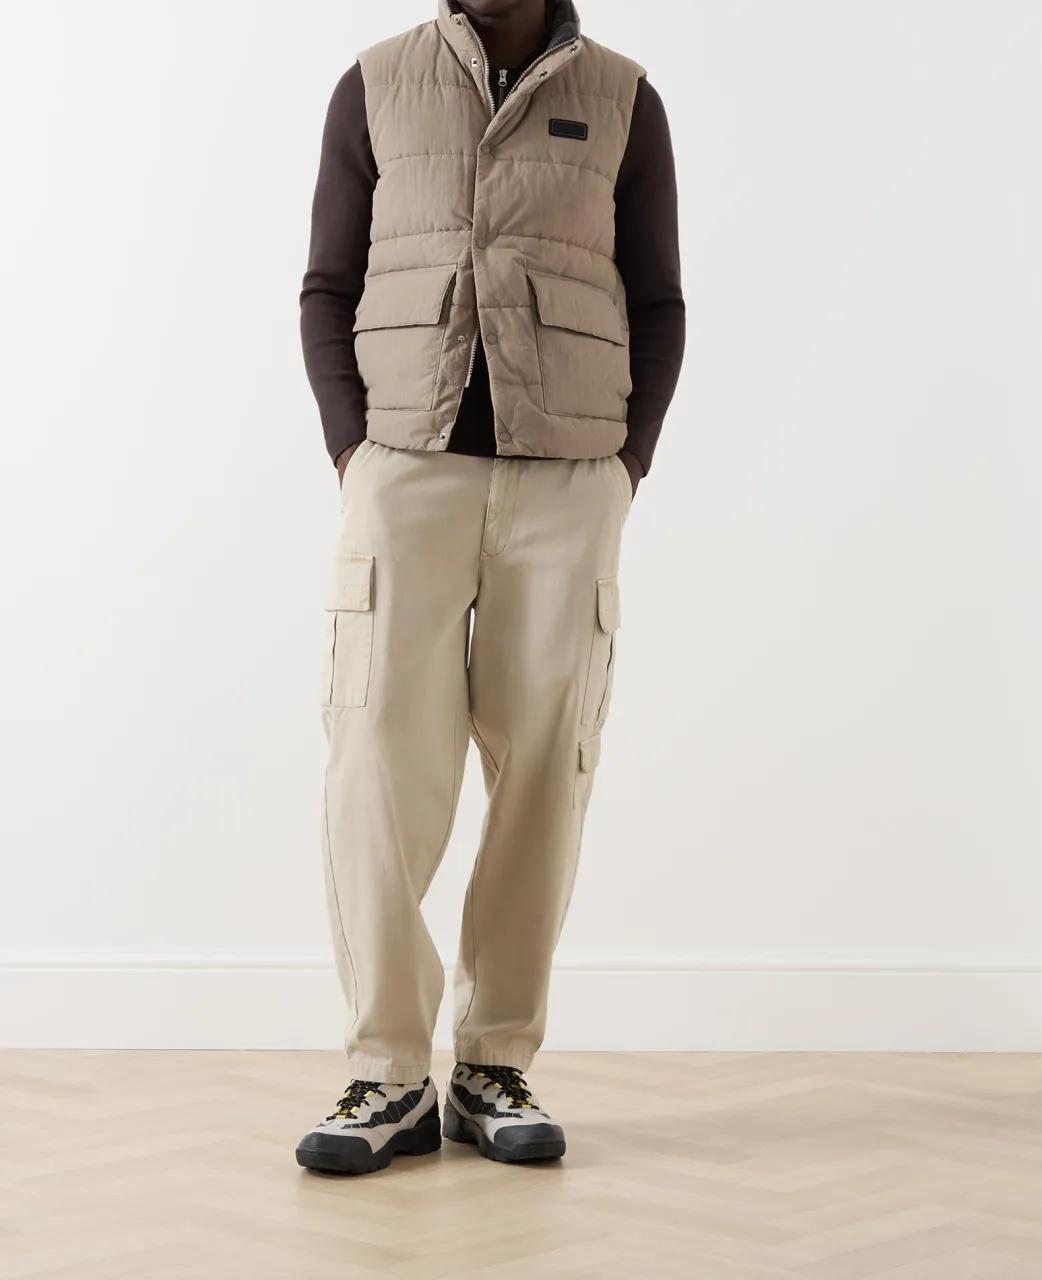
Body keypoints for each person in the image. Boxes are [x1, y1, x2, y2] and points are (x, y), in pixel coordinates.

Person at [293, 0, 684, 1173]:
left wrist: (624, 467)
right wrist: (354, 454)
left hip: (568, 478)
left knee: (545, 771)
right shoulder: (374, 83)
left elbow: (656, 300)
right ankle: (387, 1070)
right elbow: (326, 285)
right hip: (403, 469)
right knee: (374, 760)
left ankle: (491, 1062)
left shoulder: (623, 97)